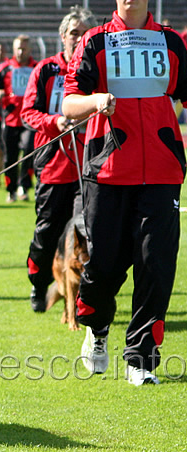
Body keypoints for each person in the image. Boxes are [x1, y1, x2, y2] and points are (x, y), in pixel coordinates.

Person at [62, 0, 187, 385]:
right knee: (103, 263)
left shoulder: (171, 42)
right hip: (109, 171)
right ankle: (96, 329)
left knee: (156, 263)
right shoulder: (95, 42)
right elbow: (69, 103)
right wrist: (96, 101)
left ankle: (141, 360)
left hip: (162, 171)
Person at [21, 6, 96, 312]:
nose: (78, 39)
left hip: (88, 165)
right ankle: (39, 286)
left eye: (83, 33)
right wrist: (55, 122)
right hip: (53, 164)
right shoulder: (45, 70)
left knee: (85, 231)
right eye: (73, 33)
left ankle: (82, 297)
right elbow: (28, 112)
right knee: (47, 232)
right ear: (63, 36)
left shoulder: (96, 69)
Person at [0, 35, 37, 202]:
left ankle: (24, 185)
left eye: (24, 48)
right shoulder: (4, 68)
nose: (20, 51)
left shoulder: (37, 68)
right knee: (10, 156)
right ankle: (11, 189)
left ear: (30, 49)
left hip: (30, 118)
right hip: (9, 119)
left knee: (29, 148)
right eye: (18, 48)